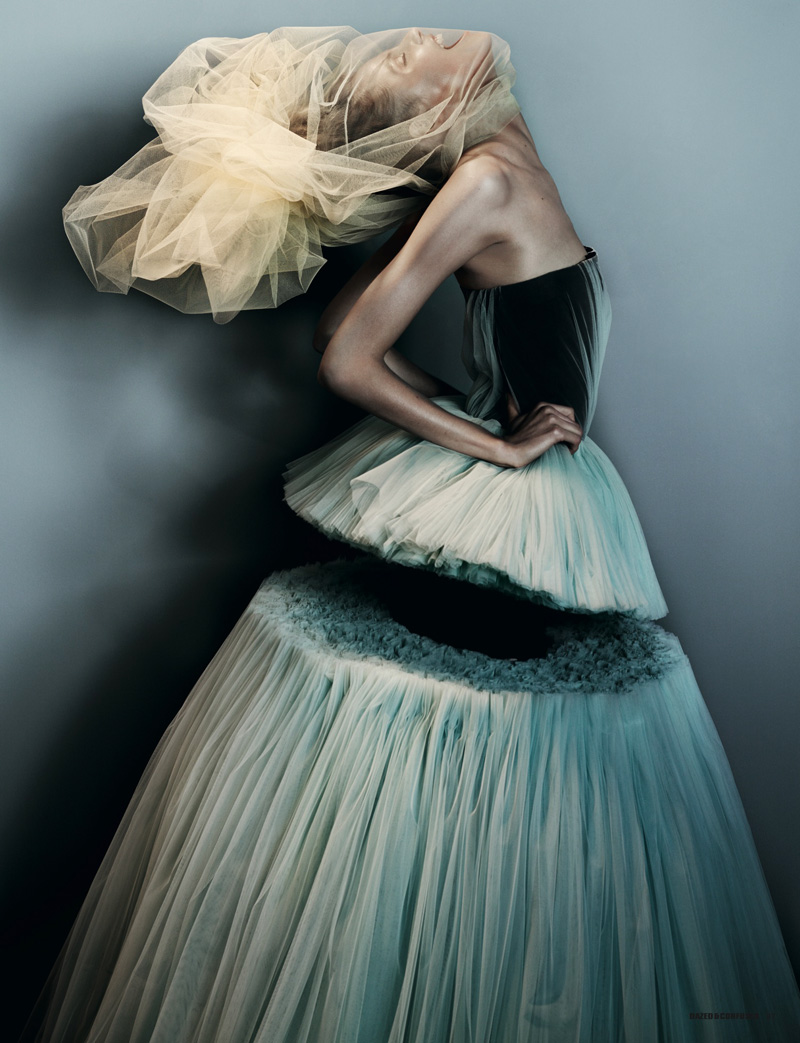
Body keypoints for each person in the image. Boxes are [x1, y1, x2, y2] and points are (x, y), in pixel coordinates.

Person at [23, 26, 800, 1043]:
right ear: (435, 109)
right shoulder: (482, 180)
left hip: (540, 508)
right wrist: (495, 445)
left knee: (513, 773)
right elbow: (345, 353)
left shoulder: (501, 144)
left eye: (395, 48)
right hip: (510, 515)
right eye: (399, 66)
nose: (414, 38)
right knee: (472, 774)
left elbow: (344, 323)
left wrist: (471, 412)